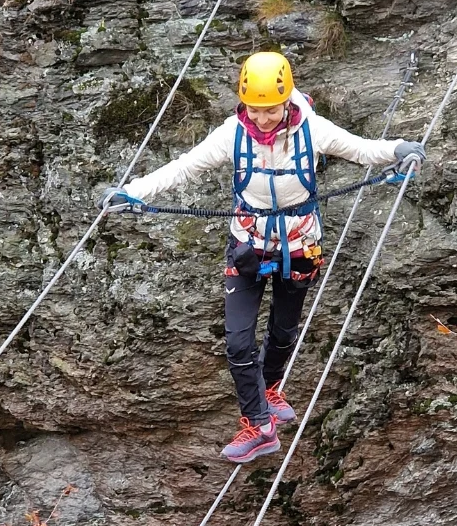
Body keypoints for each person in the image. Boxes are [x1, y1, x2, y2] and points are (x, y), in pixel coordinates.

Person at [99, 52, 424, 463]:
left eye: (270, 110)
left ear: (287, 100)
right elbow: (184, 168)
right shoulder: (232, 133)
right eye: (255, 109)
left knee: (284, 331)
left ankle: (270, 389)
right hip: (248, 246)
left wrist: (400, 149)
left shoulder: (312, 129)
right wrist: (132, 192)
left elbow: (361, 150)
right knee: (237, 342)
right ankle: (258, 424)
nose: (263, 118)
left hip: (300, 246)